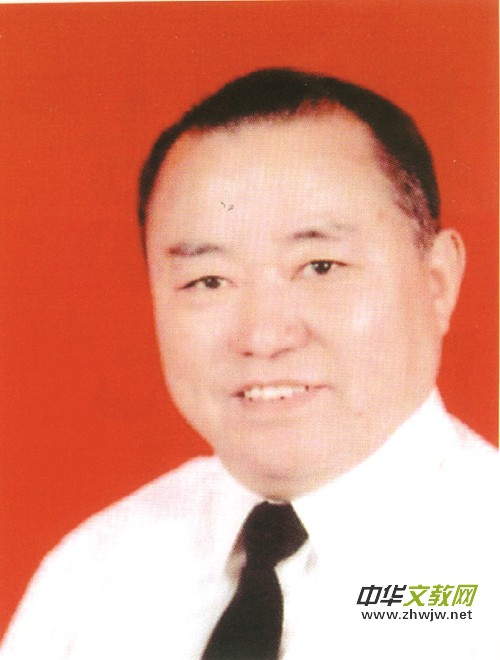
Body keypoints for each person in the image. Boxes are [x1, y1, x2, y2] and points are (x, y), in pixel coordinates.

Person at [1, 68, 498, 659]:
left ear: (437, 282)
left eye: (320, 267)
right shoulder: (91, 575)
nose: (262, 338)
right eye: (209, 280)